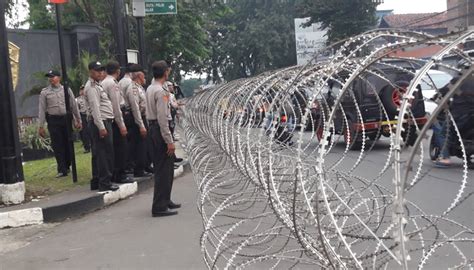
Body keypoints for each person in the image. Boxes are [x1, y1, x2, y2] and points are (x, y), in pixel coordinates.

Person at [146, 60, 180, 217]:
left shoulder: (151, 88)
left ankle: (165, 200)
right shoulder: (160, 91)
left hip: (155, 129)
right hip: (160, 131)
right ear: (165, 72)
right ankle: (159, 206)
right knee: (163, 170)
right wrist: (169, 141)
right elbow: (162, 119)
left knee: (167, 169)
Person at [38, 70, 82, 178]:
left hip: (66, 119)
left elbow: (73, 105)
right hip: (53, 120)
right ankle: (62, 169)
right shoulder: (45, 92)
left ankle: (67, 164)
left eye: (53, 76)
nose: (51, 79)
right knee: (58, 145)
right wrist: (41, 126)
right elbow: (42, 109)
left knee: (68, 143)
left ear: (59, 78)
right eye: (49, 77)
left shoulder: (66, 90)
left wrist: (78, 119)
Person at [84, 61, 119, 192]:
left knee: (101, 152)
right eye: (97, 70)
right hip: (101, 122)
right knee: (104, 154)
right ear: (90, 71)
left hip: (102, 122)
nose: (100, 73)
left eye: (102, 70)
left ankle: (99, 180)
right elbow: (95, 109)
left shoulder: (97, 85)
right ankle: (105, 182)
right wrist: (101, 127)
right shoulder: (92, 87)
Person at [102, 61, 133, 184]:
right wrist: (121, 124)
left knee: (114, 148)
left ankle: (115, 173)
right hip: (116, 117)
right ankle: (120, 174)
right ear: (118, 71)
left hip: (111, 118)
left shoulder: (104, 82)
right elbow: (115, 105)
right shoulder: (112, 84)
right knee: (121, 147)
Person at [124, 64, 151, 177]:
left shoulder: (140, 88)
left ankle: (144, 166)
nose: (145, 78)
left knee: (144, 144)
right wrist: (141, 125)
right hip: (136, 119)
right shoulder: (133, 88)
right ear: (139, 76)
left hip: (143, 117)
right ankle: (138, 169)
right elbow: (135, 108)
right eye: (143, 76)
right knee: (139, 145)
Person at [76, 85, 91, 153]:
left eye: (83, 89)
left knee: (90, 131)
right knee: (84, 132)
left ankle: (91, 144)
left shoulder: (89, 97)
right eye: (81, 90)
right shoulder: (77, 100)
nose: (82, 91)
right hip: (82, 115)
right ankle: (87, 147)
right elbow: (76, 110)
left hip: (89, 115)